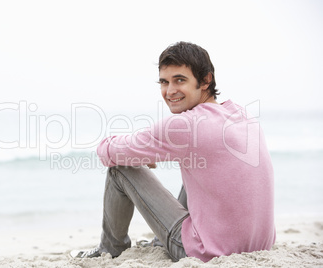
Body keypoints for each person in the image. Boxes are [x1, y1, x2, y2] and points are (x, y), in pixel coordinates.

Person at [71, 41, 275, 262]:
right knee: (198, 162)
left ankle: (109, 249)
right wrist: (145, 151)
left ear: (205, 80)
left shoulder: (186, 126)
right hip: (259, 246)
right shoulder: (242, 115)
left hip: (207, 252)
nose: (170, 91)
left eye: (180, 80)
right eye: (164, 82)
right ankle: (159, 242)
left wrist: (135, 154)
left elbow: (106, 152)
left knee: (119, 168)